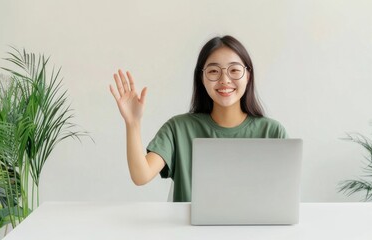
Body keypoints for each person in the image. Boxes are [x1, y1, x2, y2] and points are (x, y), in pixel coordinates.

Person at [110, 35, 287, 202]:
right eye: (213, 71)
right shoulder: (178, 129)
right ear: (202, 78)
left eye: (234, 70)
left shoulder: (272, 132)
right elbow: (141, 176)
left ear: (247, 76)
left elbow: (283, 197)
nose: (224, 79)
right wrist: (133, 123)